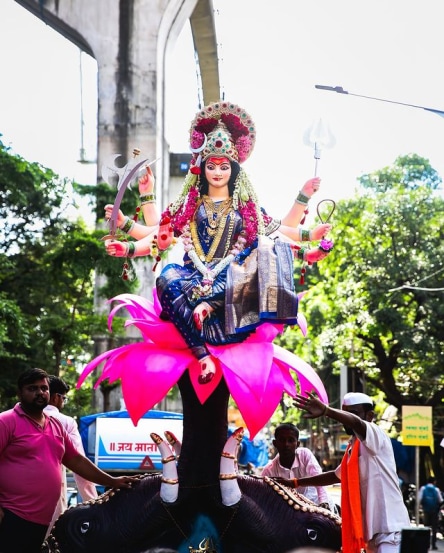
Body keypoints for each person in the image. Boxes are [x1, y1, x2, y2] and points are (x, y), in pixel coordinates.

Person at [103, 100, 333, 385]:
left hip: (231, 280)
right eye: (211, 165)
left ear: (233, 170)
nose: (217, 172)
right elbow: (157, 234)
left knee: (262, 251)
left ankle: (211, 304)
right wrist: (129, 236)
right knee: (165, 280)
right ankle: (202, 354)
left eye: (224, 166)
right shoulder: (190, 204)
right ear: (202, 168)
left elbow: (280, 231)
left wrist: (308, 219)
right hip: (192, 276)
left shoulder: (244, 208)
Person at [0, 368, 137, 553]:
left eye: (44, 388)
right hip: (12, 517)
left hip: (43, 521)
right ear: (20, 393)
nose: (40, 392)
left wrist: (112, 481)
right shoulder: (6, 422)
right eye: (32, 388)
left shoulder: (55, 424)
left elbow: (76, 461)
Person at [292, 391, 411, 553]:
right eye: (343, 412)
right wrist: (296, 483)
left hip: (390, 529)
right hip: (371, 533)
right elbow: (335, 475)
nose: (345, 419)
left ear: (369, 416)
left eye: (351, 413)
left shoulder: (375, 433)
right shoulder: (352, 447)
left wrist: (327, 411)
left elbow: (356, 423)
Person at [44, 375, 98, 536]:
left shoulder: (12, 419)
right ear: (55, 397)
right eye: (64, 399)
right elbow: (79, 464)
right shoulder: (65, 422)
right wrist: (93, 503)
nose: (63, 403)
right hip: (52, 499)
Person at [261, 422, 330, 509]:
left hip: (315, 504)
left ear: (297, 444)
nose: (286, 444)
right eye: (282, 440)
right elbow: (261, 494)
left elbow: (319, 478)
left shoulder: (305, 455)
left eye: (291, 440)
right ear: (275, 443)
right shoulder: (268, 470)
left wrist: (323, 502)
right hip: (288, 512)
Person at [419, 476, 443, 550]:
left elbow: (419, 499)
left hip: (426, 510)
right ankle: (433, 545)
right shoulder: (436, 489)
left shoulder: (423, 488)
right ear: (434, 482)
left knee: (426, 527)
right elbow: (440, 500)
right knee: (434, 528)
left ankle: (426, 544)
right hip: (434, 511)